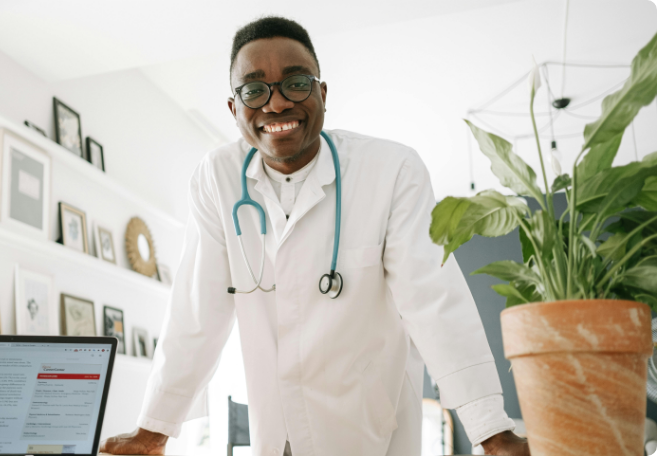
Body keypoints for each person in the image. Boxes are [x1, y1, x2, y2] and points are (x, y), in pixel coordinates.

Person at [101, 16, 530, 456]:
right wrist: (153, 431)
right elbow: (196, 312)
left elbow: (434, 301)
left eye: (296, 83)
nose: (276, 103)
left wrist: (491, 431)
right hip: (277, 429)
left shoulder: (391, 170)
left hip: (369, 429)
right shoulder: (218, 178)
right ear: (234, 109)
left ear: (322, 94)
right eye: (253, 90)